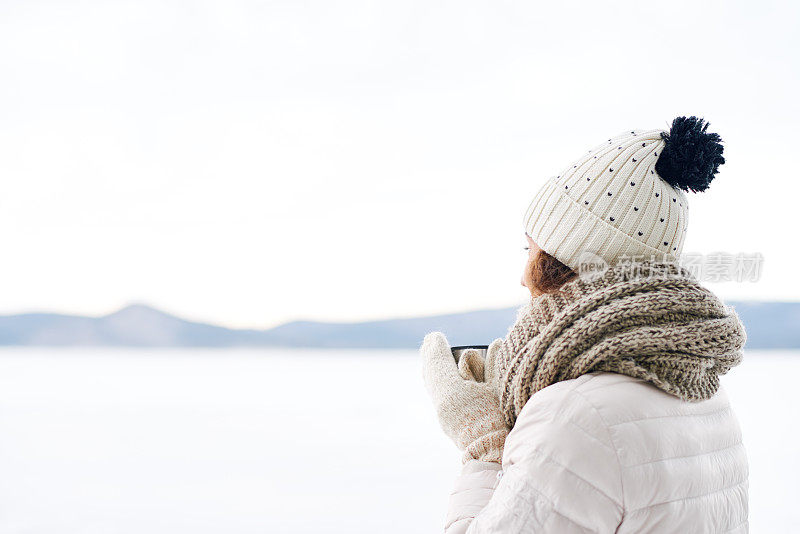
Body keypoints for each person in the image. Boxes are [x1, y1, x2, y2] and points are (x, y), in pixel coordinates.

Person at [421, 117, 748, 533]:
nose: (523, 277)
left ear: (565, 261)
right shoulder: (707, 396)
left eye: (530, 249)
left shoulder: (574, 417)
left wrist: (484, 448)